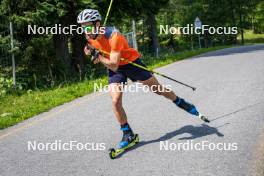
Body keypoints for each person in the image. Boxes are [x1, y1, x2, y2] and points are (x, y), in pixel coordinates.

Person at [77, 9, 210, 149]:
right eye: (82, 27)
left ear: (97, 24)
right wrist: (90, 51)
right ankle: (128, 134)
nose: (84, 30)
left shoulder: (114, 36)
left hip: (131, 63)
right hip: (116, 69)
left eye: (87, 26)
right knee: (115, 101)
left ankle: (179, 101)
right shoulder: (89, 36)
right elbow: (92, 49)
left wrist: (98, 56)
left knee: (158, 90)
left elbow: (114, 65)